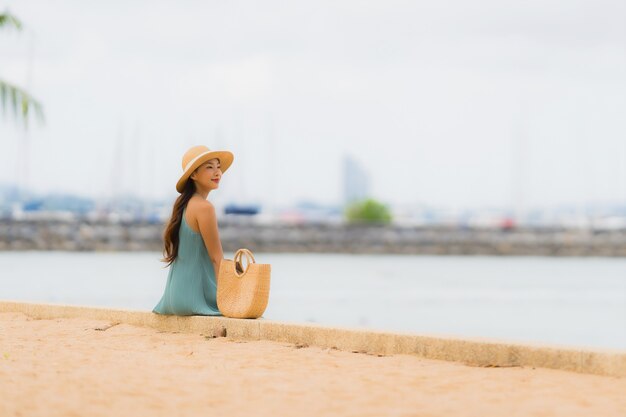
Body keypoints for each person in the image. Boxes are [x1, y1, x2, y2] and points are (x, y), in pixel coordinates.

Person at [152, 145, 234, 316]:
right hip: (193, 299)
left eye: (218, 167)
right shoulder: (205, 208)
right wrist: (229, 300)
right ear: (194, 175)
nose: (217, 172)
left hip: (173, 298)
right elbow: (216, 258)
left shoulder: (183, 204)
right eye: (209, 167)